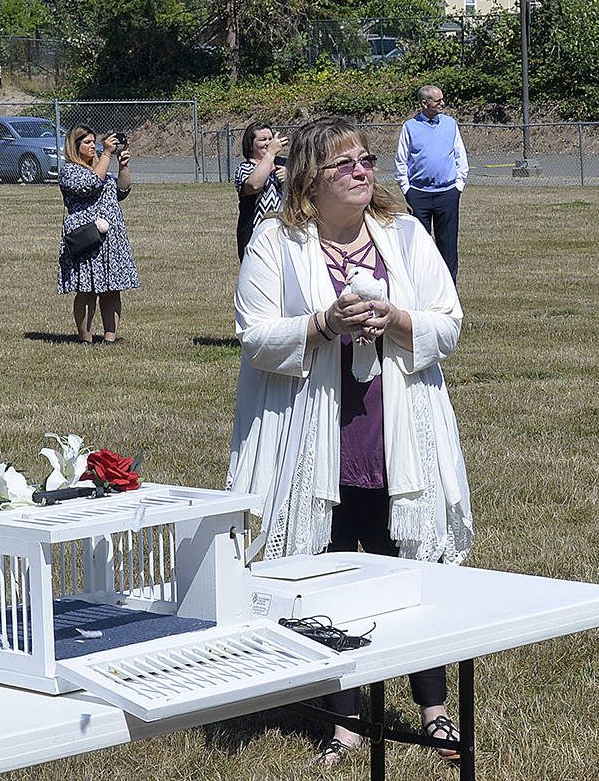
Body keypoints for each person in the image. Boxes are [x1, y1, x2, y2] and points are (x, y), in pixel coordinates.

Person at [227, 116, 473, 767]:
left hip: (395, 434)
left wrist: (395, 318)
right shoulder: (276, 241)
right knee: (327, 581)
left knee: (412, 571)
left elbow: (448, 324)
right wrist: (321, 322)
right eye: (346, 164)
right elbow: (254, 334)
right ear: (310, 179)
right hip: (315, 439)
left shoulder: (405, 236)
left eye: (367, 160)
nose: (364, 171)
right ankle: (346, 724)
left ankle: (435, 711)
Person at [57, 125, 139, 344]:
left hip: (110, 239)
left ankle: (110, 338)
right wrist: (107, 154)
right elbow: (91, 184)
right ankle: (86, 338)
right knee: (86, 289)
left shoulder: (101, 167)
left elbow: (122, 190)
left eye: (94, 141)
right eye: (87, 142)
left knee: (112, 288)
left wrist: (123, 167)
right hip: (86, 238)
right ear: (74, 147)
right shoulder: (70, 171)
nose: (92, 146)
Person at [394, 85, 468, 281]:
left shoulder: (450, 124)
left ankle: (449, 288)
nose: (442, 103)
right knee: (419, 246)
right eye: (437, 101)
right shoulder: (409, 127)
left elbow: (460, 156)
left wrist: (458, 186)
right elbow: (401, 160)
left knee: (448, 244)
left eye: (442, 99)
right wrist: (407, 190)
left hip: (447, 194)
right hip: (418, 195)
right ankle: (423, 286)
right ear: (424, 103)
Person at [234, 121, 289, 260]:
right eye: (263, 139)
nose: (268, 143)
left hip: (285, 234)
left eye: (270, 139)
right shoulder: (245, 169)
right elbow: (253, 186)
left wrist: (291, 176)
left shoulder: (285, 163)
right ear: (251, 145)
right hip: (255, 235)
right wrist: (270, 154)